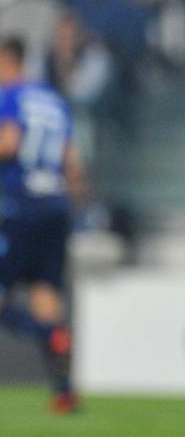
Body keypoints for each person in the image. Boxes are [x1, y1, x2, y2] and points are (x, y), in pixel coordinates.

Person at [0, 36, 83, 413]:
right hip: (56, 205)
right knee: (46, 294)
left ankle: (42, 332)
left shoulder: (11, 96)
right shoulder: (54, 100)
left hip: (19, 205)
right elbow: (73, 163)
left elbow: (9, 144)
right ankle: (64, 390)